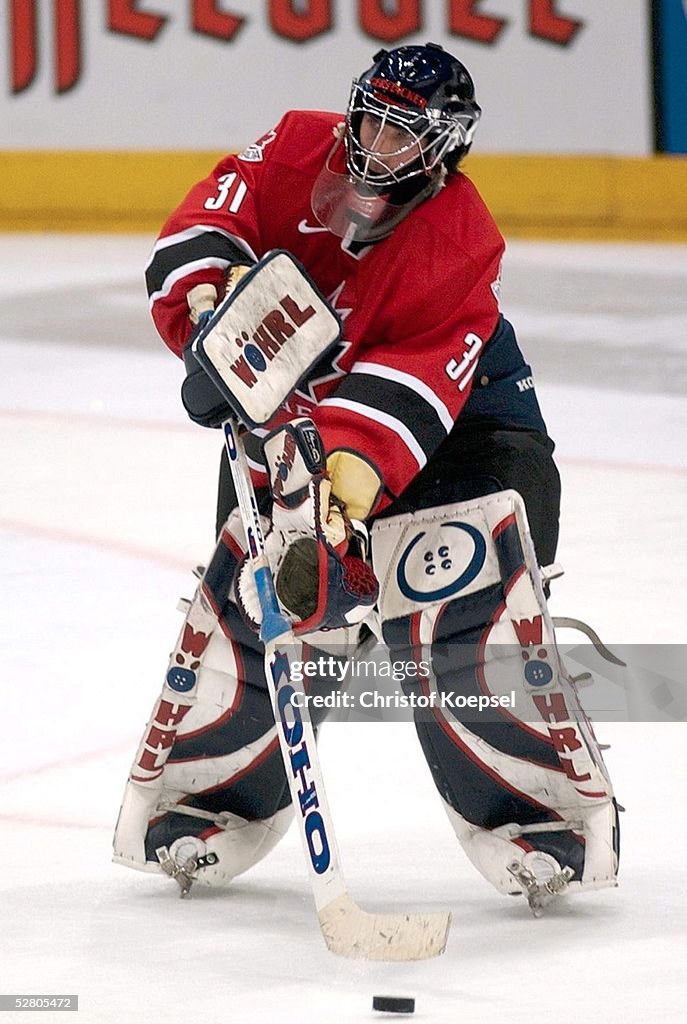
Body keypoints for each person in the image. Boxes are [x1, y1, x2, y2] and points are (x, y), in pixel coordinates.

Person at [113, 43, 619, 912]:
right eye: (369, 117)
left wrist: (338, 498)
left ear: (443, 146)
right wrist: (209, 308)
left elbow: (406, 392)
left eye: (399, 131)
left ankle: (540, 818)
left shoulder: (458, 238)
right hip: (299, 430)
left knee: (462, 613)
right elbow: (206, 223)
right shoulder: (296, 147)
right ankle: (208, 801)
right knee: (265, 608)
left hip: (466, 441)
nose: (372, 141)